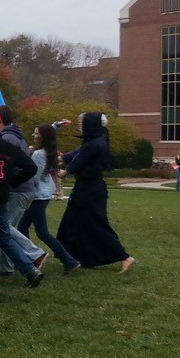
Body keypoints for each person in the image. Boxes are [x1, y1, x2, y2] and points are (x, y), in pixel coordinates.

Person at [57, 112, 135, 273]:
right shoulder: (94, 140)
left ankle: (124, 257)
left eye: (83, 123)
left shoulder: (95, 143)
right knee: (74, 223)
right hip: (86, 189)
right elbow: (75, 154)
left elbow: (79, 160)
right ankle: (80, 258)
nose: (81, 126)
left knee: (96, 225)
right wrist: (60, 158)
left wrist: (64, 171)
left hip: (90, 191)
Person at [0, 110, 44, 287]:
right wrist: (10, 181)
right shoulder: (8, 147)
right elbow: (31, 167)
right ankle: (30, 269)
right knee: (4, 236)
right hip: (1, 195)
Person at [0, 106, 48, 274]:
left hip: (17, 190)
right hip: (23, 189)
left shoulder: (7, 139)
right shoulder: (16, 137)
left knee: (4, 227)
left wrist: (9, 182)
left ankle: (34, 253)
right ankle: (5, 266)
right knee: (7, 228)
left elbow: (6, 166)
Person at [18, 123, 80, 273]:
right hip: (42, 193)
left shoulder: (39, 154)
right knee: (22, 227)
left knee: (42, 232)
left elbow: (35, 175)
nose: (33, 135)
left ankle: (69, 261)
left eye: (35, 133)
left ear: (42, 137)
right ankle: (27, 257)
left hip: (38, 195)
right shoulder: (47, 151)